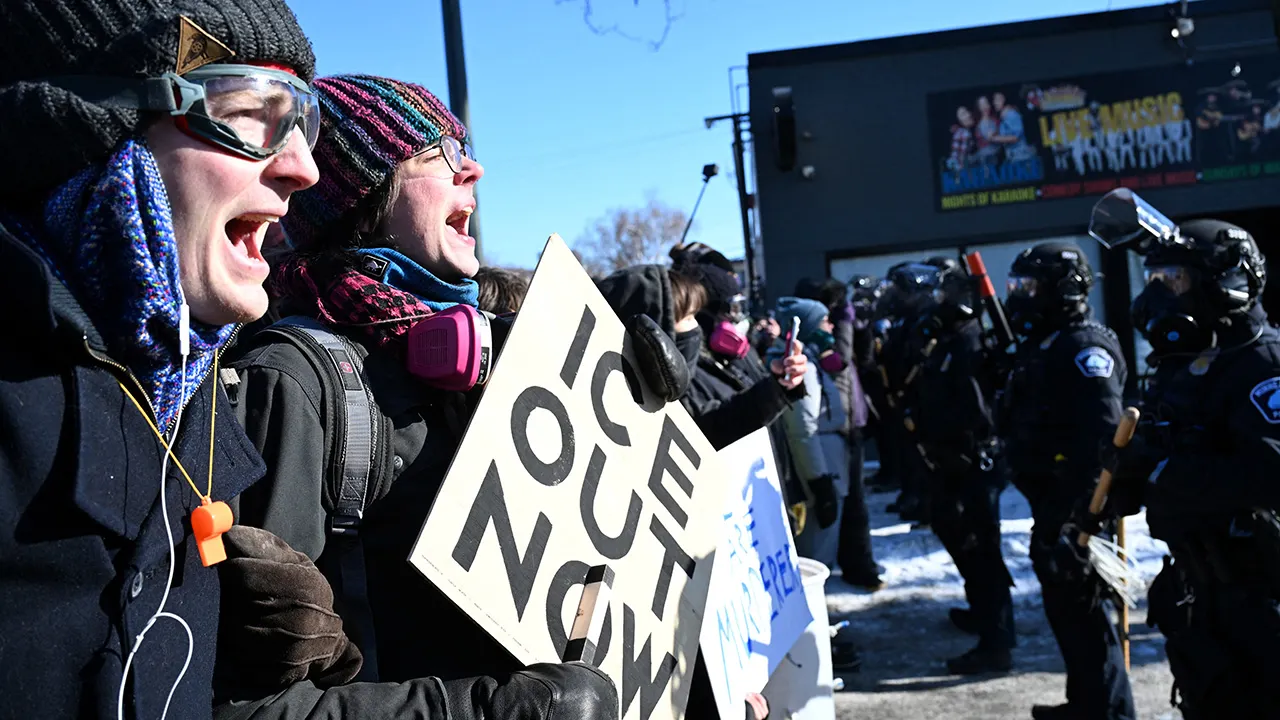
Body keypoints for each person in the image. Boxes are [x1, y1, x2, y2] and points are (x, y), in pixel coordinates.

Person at [222, 74, 636, 716]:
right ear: (359, 196)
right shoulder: (289, 382)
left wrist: (645, 398)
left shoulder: (508, 353)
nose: (472, 168)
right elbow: (253, 706)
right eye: (435, 152)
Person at [0, 1, 323, 717]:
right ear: (89, 124)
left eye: (306, 121)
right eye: (247, 110)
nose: (303, 167)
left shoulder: (191, 393)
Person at [1093, 211, 1280, 719]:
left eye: (1173, 281)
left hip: (1261, 595)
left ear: (1226, 285)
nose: (1159, 298)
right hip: (1204, 593)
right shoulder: (1189, 368)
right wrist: (1127, 478)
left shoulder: (1262, 364)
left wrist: (1159, 471)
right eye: (1154, 282)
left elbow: (1268, 476)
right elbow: (1167, 454)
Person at [1001, 242, 1136, 720]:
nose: (1018, 296)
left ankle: (1110, 712)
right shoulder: (1046, 342)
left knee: (1088, 614)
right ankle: (1087, 702)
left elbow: (1106, 439)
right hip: (1050, 501)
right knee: (1066, 612)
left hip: (1078, 508)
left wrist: (1086, 518)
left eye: (1028, 287)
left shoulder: (1084, 347)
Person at [906, 261, 1016, 674]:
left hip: (970, 465)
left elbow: (975, 412)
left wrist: (955, 450)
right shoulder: (949, 341)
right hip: (950, 463)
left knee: (982, 549)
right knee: (960, 540)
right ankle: (981, 611)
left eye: (944, 297)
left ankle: (997, 640)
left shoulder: (969, 342)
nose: (937, 304)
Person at [794, 277, 881, 589]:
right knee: (850, 503)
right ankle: (858, 566)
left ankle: (856, 562)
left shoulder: (828, 330)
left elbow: (864, 358)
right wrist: (844, 320)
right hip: (837, 429)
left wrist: (859, 325)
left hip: (847, 420)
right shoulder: (817, 337)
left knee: (851, 500)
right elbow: (839, 359)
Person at [775, 296, 850, 568]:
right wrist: (820, 483)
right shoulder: (801, 369)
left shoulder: (812, 361)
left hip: (827, 459)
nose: (831, 326)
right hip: (820, 467)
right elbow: (802, 430)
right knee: (817, 557)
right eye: (824, 321)